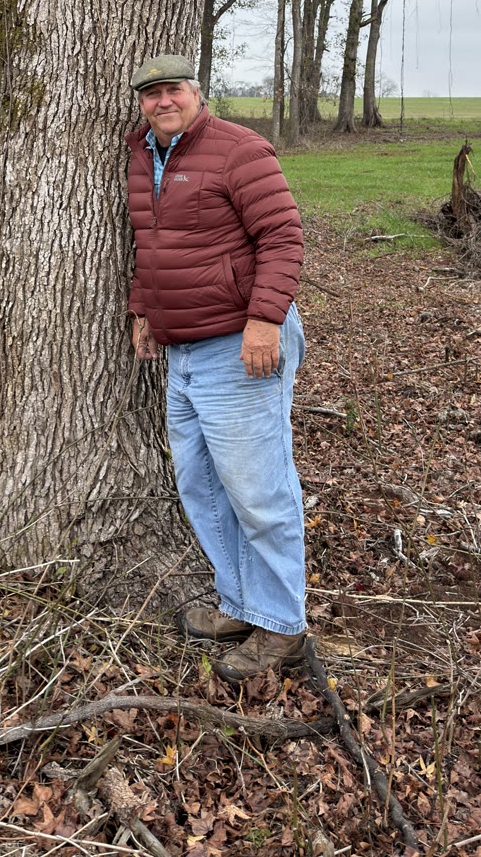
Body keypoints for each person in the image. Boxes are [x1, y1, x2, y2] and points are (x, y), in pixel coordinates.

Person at [125, 52, 308, 682]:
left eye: (173, 89)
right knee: (203, 487)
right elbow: (153, 245)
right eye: (151, 93)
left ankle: (282, 626)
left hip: (240, 344)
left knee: (259, 491)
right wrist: (144, 309)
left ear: (197, 93)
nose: (162, 100)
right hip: (184, 350)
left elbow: (283, 237)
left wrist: (264, 319)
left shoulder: (239, 149)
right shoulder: (143, 154)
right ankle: (241, 604)